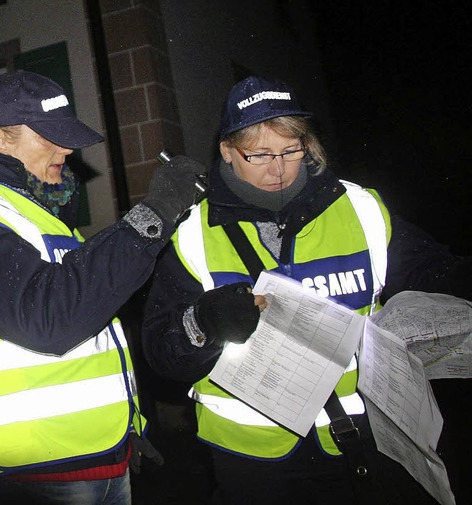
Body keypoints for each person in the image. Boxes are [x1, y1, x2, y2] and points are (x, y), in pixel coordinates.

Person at [141, 75, 472, 504]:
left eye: (290, 150)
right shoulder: (190, 233)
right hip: (253, 460)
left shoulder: (360, 207)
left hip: (366, 443)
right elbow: (162, 353)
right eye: (259, 153)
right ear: (227, 151)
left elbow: (434, 273)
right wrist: (204, 323)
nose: (277, 168)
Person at [0, 70, 206, 504]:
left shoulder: (31, 215)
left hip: (97, 459)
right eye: (49, 136)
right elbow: (48, 319)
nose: (66, 148)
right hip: (35, 479)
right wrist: (155, 213)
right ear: (0, 141)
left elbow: (90, 327)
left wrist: (125, 428)